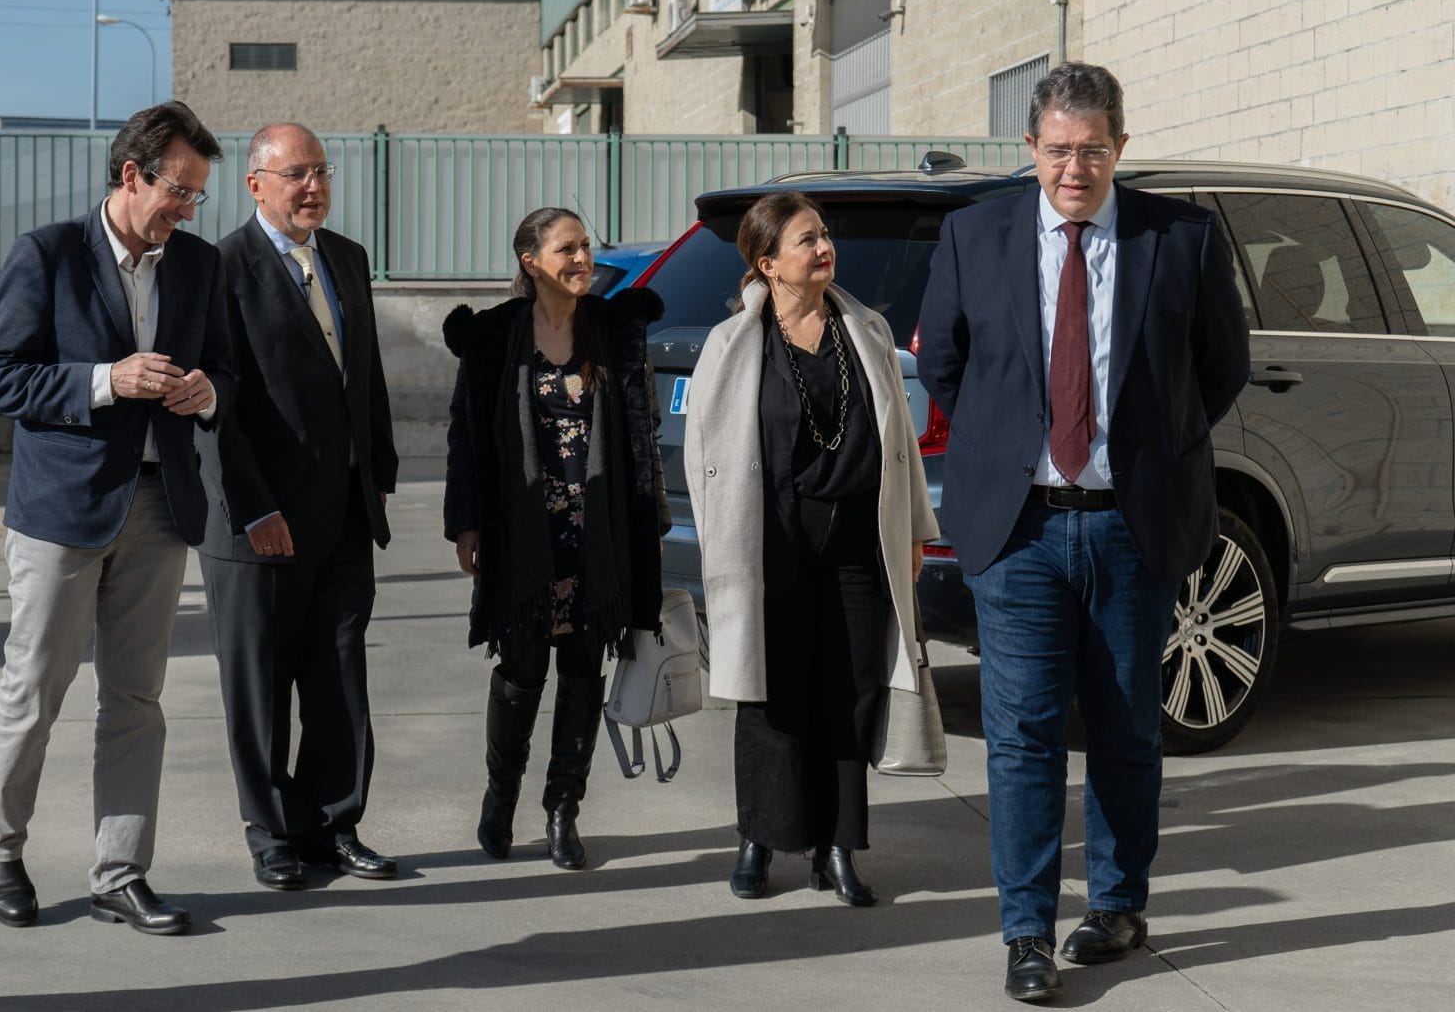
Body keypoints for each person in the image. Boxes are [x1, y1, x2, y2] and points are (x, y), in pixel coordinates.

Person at [916, 62, 1249, 1001]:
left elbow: (1221, 367)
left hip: (1131, 529)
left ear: (1120, 147)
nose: (1075, 168)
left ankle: (1117, 907)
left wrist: (1151, 450)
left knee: (1126, 728)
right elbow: (945, 365)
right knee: (1022, 735)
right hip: (1019, 529)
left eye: (1093, 150)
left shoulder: (1180, 238)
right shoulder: (973, 234)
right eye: (1059, 150)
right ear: (1030, 148)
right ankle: (1025, 931)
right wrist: (1008, 446)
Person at [0, 101, 234, 937]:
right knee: (34, 688)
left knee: (136, 699)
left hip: (161, 507)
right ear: (131, 175)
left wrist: (209, 392)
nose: (187, 209)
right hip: (61, 511)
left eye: (197, 195)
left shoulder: (197, 264)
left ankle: (121, 874)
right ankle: (0, 849)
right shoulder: (47, 253)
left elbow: (224, 365)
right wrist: (104, 381)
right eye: (178, 191)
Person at [682, 191, 938, 907]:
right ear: (767, 263)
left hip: (858, 537)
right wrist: (718, 542)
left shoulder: (867, 330)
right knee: (772, 693)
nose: (824, 248)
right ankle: (759, 840)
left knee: (852, 690)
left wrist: (914, 531)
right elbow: (703, 456)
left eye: (824, 235)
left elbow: (901, 443)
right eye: (806, 240)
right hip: (772, 540)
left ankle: (838, 846)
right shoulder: (733, 344)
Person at [195, 122, 401, 891]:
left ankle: (333, 825)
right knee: (260, 685)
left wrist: (377, 471)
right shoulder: (219, 269)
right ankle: (271, 833)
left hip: (343, 510)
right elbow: (215, 409)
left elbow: (365, 376)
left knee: (339, 675)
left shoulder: (346, 258)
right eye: (295, 174)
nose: (313, 187)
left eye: (321, 171)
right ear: (255, 184)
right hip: (260, 521)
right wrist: (253, 508)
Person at [442, 208, 667, 871]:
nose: (581, 258)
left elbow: (644, 433)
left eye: (585, 246)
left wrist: (649, 523)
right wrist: (467, 522)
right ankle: (501, 796)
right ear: (530, 261)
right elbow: (466, 436)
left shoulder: (614, 330)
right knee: (521, 671)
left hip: (596, 529)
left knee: (583, 673)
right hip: (523, 532)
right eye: (567, 248)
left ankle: (563, 809)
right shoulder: (493, 337)